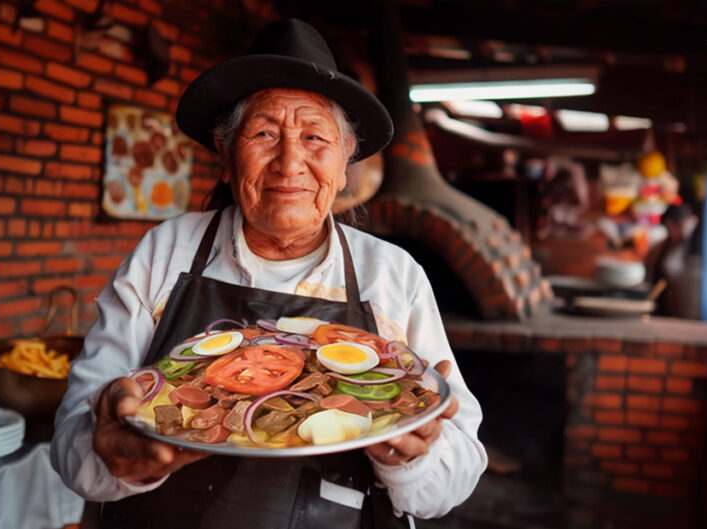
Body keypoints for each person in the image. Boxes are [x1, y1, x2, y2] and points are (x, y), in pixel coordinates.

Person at [50, 19, 487, 528]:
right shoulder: (164, 253)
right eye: (264, 133)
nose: (289, 162)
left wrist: (409, 458)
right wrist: (117, 458)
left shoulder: (392, 275)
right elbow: (75, 439)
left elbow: (456, 469)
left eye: (314, 137)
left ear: (346, 163)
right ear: (226, 156)